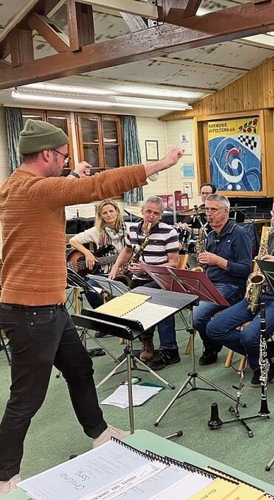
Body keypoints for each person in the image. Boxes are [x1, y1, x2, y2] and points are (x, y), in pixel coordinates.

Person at [0, 119, 183, 494]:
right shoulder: (37, 190)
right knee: (26, 399)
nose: (66, 164)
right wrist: (159, 165)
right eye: (64, 158)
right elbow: (99, 186)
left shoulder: (15, 184)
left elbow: (62, 186)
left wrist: (70, 176)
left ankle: (98, 433)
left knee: (80, 368)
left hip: (46, 307)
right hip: (32, 311)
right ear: (48, 154)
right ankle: (4, 475)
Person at [207, 194, 274, 387]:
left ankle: (261, 365)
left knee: (250, 335)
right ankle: (269, 351)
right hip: (261, 294)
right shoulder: (270, 236)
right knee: (214, 328)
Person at [109, 196, 181, 371]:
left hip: (162, 279)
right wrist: (116, 268)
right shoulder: (133, 229)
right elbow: (127, 250)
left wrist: (146, 269)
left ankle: (169, 350)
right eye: (148, 211)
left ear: (161, 216)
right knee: (126, 302)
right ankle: (146, 342)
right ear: (142, 211)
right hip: (139, 279)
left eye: (156, 213)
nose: (151, 216)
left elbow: (174, 263)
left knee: (143, 298)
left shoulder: (169, 232)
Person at [193, 194, 253, 365]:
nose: (209, 214)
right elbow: (208, 265)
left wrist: (217, 261)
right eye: (207, 209)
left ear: (226, 211)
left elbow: (245, 269)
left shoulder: (239, 234)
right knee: (184, 304)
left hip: (232, 287)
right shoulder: (211, 235)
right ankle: (212, 343)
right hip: (211, 284)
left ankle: (211, 347)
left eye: (213, 209)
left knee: (197, 316)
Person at [69, 199, 126, 310]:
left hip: (124, 272)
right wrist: (87, 253)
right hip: (103, 273)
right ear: (101, 216)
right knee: (91, 287)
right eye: (105, 213)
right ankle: (103, 313)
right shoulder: (97, 231)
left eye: (111, 211)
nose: (109, 215)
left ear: (117, 211)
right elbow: (73, 241)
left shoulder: (129, 229)